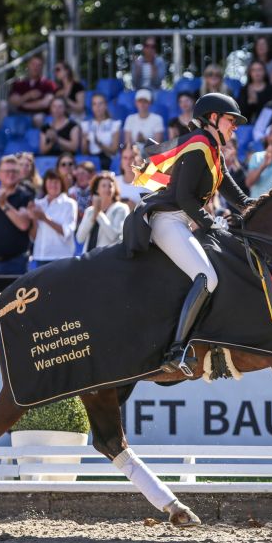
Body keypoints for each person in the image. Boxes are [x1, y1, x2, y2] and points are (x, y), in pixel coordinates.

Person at [122, 93, 254, 376]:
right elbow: (184, 198)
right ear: (213, 119)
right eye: (231, 120)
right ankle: (176, 349)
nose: (235, 127)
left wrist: (263, 206)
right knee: (207, 277)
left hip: (183, 221)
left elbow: (237, 196)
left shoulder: (213, 151)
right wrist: (211, 224)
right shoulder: (199, 145)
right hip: (169, 220)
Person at [28, 169, 78, 265]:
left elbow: (66, 232)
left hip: (62, 257)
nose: (53, 185)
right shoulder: (38, 204)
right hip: (40, 256)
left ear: (61, 184)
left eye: (56, 182)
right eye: (50, 182)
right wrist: (33, 218)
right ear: (45, 184)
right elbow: (34, 236)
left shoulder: (70, 204)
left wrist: (44, 218)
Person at [76, 172, 129, 254]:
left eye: (110, 186)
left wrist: (98, 213)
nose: (107, 189)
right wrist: (94, 215)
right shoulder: (90, 211)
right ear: (97, 189)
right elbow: (80, 238)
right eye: (103, 186)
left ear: (115, 189)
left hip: (108, 258)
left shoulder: (121, 208)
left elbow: (114, 236)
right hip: (88, 258)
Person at [7, 54, 57, 124]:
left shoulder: (49, 84)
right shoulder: (19, 84)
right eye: (33, 64)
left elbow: (45, 103)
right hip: (20, 115)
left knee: (38, 117)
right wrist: (28, 95)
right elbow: (13, 101)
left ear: (42, 67)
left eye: (39, 65)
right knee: (2, 105)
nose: (35, 67)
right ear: (28, 65)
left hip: (40, 116)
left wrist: (23, 104)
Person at [81, 93, 122, 170]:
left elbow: (114, 150)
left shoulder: (114, 124)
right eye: (94, 104)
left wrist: (99, 144)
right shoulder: (86, 125)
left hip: (108, 161)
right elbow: (84, 152)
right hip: (92, 161)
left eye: (100, 104)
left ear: (105, 105)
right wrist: (85, 143)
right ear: (92, 107)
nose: (98, 107)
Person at [238, 60, 272, 125]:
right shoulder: (244, 90)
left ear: (264, 72)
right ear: (250, 73)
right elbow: (241, 113)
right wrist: (250, 103)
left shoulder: (271, 89)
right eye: (253, 70)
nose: (257, 73)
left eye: (259, 69)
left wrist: (257, 101)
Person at [116, 144, 147, 209]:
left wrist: (134, 207)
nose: (128, 162)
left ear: (138, 160)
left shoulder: (147, 183)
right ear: (121, 161)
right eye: (125, 158)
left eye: (132, 157)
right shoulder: (114, 182)